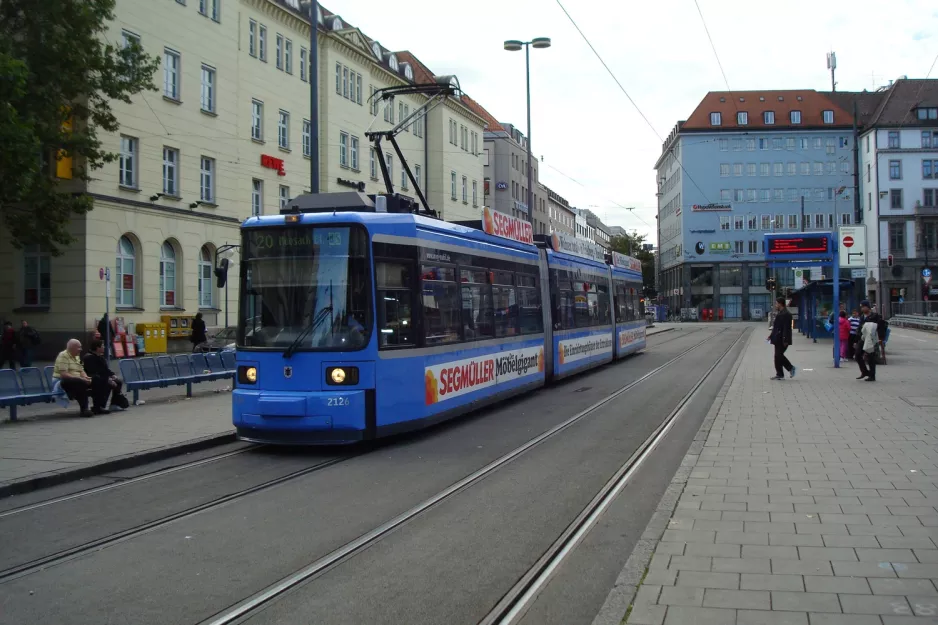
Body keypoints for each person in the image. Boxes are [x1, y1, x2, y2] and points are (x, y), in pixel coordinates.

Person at [83, 339, 128, 413]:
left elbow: (105, 370)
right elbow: (92, 372)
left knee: (118, 382)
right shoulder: (89, 358)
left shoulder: (101, 357)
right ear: (97, 348)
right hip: (93, 380)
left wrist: (112, 375)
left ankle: (114, 404)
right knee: (103, 383)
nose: (104, 347)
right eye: (102, 346)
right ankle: (98, 406)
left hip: (102, 378)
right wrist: (107, 379)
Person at [52, 339, 93, 418]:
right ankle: (84, 409)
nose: (81, 349)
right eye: (79, 347)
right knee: (80, 382)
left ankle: (98, 407)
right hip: (61, 381)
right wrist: (81, 379)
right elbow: (64, 374)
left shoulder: (76, 356)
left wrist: (85, 377)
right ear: (72, 348)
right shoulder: (63, 355)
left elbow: (81, 370)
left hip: (76, 380)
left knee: (96, 380)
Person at [855, 300, 885, 381]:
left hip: (871, 339)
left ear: (868, 307)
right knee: (857, 355)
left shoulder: (875, 316)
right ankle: (864, 371)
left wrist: (880, 338)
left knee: (871, 357)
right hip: (863, 338)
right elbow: (860, 327)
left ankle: (872, 375)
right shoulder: (862, 317)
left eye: (863, 307)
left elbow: (880, 327)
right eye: (861, 307)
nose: (862, 308)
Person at [768, 296, 796, 380]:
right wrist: (770, 336)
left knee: (778, 355)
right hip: (777, 338)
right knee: (777, 356)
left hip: (782, 339)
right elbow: (776, 327)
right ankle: (779, 374)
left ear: (780, 304)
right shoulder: (780, 313)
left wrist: (785, 339)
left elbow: (786, 328)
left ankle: (790, 368)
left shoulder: (786, 314)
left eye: (776, 303)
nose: (775, 305)